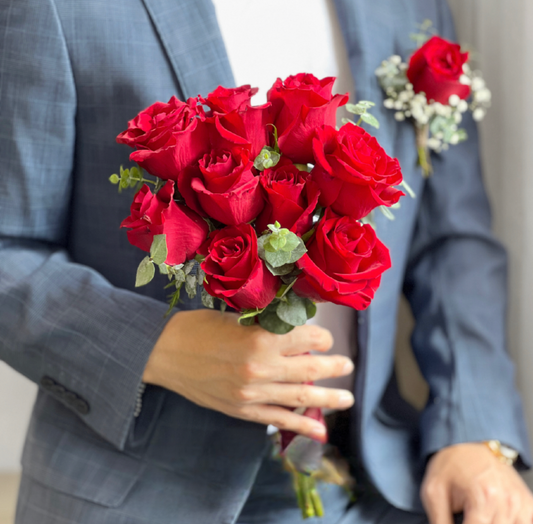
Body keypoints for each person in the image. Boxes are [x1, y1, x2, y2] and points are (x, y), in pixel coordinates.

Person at [1, 0, 532, 523]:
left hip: (370, 478)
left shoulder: (410, 6)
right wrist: (158, 347)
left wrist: (473, 431)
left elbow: (450, 242)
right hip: (138, 485)